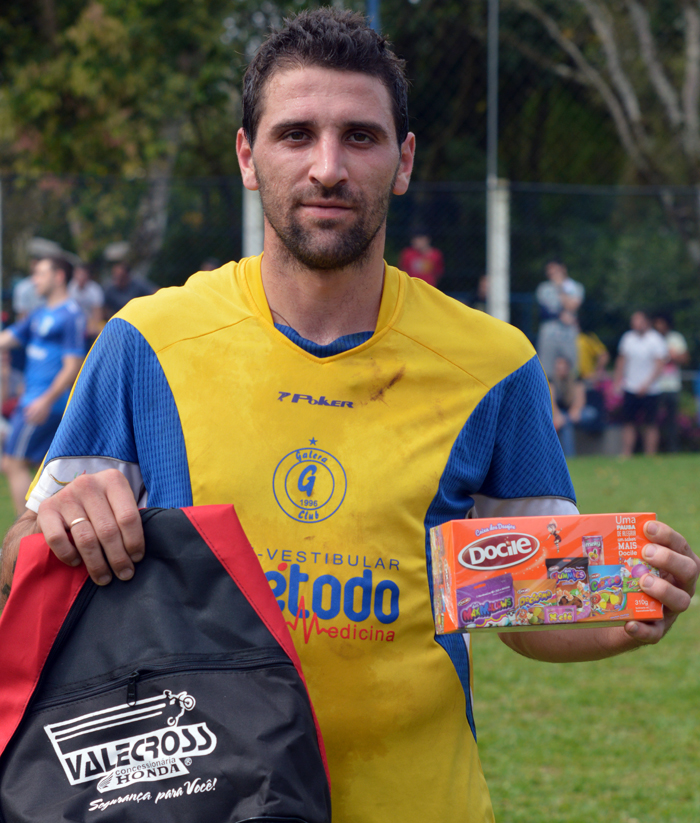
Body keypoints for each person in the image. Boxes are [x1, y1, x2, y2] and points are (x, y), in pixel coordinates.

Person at [0, 11, 697, 823]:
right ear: (247, 157)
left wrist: (619, 618)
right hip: (210, 804)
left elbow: (518, 605)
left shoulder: (493, 362)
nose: (327, 166)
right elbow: (24, 568)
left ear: (402, 162)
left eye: (360, 137)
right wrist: (58, 529)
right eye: (296, 134)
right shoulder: (147, 342)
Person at [0, 256, 85, 514]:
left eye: (40, 273)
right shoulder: (39, 314)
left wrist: (46, 400)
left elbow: (72, 366)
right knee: (44, 471)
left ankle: (21, 539)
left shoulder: (70, 314)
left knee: (13, 464)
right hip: (35, 401)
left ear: (59, 276)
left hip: (42, 404)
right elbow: (6, 339)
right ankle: (43, 537)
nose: (34, 280)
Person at [614, 310, 668, 457]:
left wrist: (646, 384)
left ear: (646, 321)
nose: (634, 324)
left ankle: (650, 454)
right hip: (630, 386)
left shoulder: (656, 339)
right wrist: (617, 381)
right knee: (628, 423)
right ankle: (626, 453)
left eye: (637, 320)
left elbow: (659, 365)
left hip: (651, 390)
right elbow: (622, 361)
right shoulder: (628, 338)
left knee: (651, 423)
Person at [535, 259, 584, 378]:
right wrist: (559, 315)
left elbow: (572, 306)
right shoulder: (543, 288)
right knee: (547, 372)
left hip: (568, 334)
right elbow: (544, 312)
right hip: (549, 334)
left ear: (563, 269)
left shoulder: (574, 287)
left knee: (573, 372)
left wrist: (560, 288)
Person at [652, 312, 689, 452]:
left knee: (672, 420)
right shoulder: (652, 339)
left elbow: (685, 359)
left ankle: (673, 449)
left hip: (672, 385)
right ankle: (653, 450)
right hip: (655, 386)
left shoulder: (676, 338)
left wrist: (674, 356)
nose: (658, 326)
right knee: (653, 421)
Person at [67, 262, 105, 347]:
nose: (80, 277)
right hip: (76, 321)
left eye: (82, 274)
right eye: (78, 274)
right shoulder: (71, 287)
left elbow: (98, 312)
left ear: (87, 275)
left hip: (91, 321)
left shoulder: (95, 289)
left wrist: (93, 326)